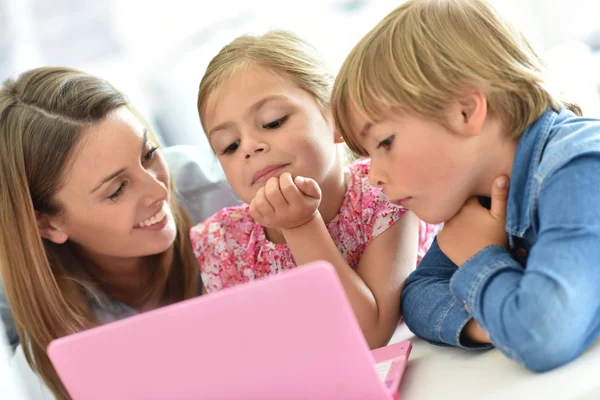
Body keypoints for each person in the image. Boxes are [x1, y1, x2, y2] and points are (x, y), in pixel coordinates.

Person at [330, 0, 600, 373]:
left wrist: (482, 259)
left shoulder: (580, 168)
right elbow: (417, 294)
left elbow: (544, 334)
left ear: (466, 111)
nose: (373, 175)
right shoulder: (481, 192)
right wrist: (499, 321)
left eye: (385, 143)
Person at [192, 30, 437, 349]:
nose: (250, 147)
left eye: (273, 122)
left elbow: (369, 335)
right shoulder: (223, 242)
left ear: (335, 117)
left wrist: (300, 226)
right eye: (230, 146)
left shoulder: (383, 191)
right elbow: (243, 356)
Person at [0, 67, 201, 399]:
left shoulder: (227, 192)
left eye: (148, 154)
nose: (158, 191)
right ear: (47, 224)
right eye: (117, 189)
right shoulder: (32, 355)